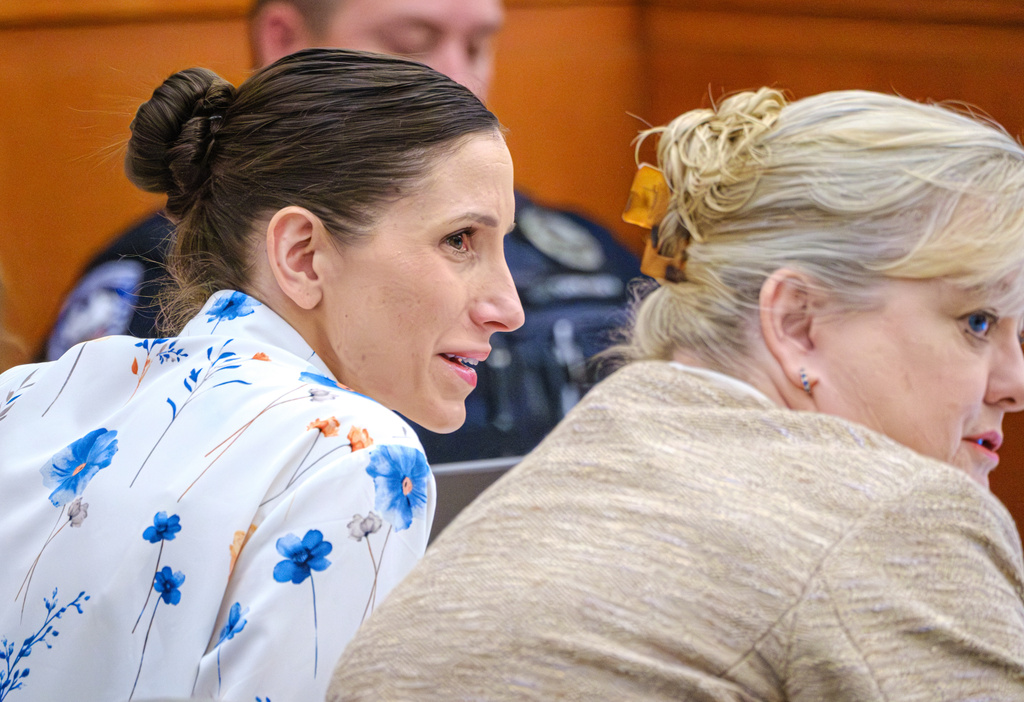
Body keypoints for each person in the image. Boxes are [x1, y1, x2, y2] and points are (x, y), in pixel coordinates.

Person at [327, 88, 1024, 700]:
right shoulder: (900, 513)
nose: (1014, 385)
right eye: (978, 322)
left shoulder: (581, 458)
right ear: (796, 323)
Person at [0, 48, 522, 702]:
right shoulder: (353, 455)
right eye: (460, 241)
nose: (509, 307)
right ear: (302, 255)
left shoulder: (23, 395)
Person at [45, 0, 639, 464]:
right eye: (411, 42)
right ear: (284, 39)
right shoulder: (159, 279)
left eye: (478, 46)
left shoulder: (583, 251)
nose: (459, 78)